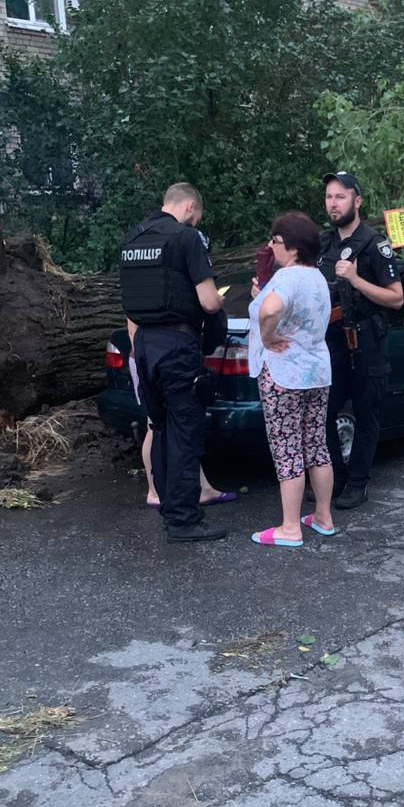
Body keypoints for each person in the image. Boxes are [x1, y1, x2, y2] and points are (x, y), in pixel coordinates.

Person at [120, 182, 227, 544]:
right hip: (177, 345)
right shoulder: (186, 238)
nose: (195, 222)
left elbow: (130, 304)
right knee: (185, 431)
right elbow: (209, 301)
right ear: (190, 206)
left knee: (162, 428)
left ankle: (170, 507)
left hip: (143, 344)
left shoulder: (133, 240)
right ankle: (184, 520)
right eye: (196, 216)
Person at [247, 212, 336, 547]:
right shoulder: (317, 278)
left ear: (292, 246)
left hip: (284, 373)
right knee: (316, 445)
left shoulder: (287, 277)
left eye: (276, 241)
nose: (272, 246)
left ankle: (289, 527)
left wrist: (268, 338)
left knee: (287, 450)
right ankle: (323, 517)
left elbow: (270, 310)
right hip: (317, 372)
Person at [318, 171, 403, 510]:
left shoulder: (375, 244)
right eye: (329, 197)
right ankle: (335, 478)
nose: (333, 203)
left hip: (367, 341)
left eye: (340, 196)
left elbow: (396, 299)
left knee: (366, 415)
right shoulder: (325, 243)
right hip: (332, 342)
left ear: (357, 200)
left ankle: (358, 482)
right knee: (324, 412)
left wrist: (355, 278)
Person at [125, 328, 236, 509]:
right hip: (149, 358)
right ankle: (154, 491)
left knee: (181, 424)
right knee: (155, 424)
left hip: (165, 355)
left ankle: (203, 488)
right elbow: (133, 331)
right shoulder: (142, 302)